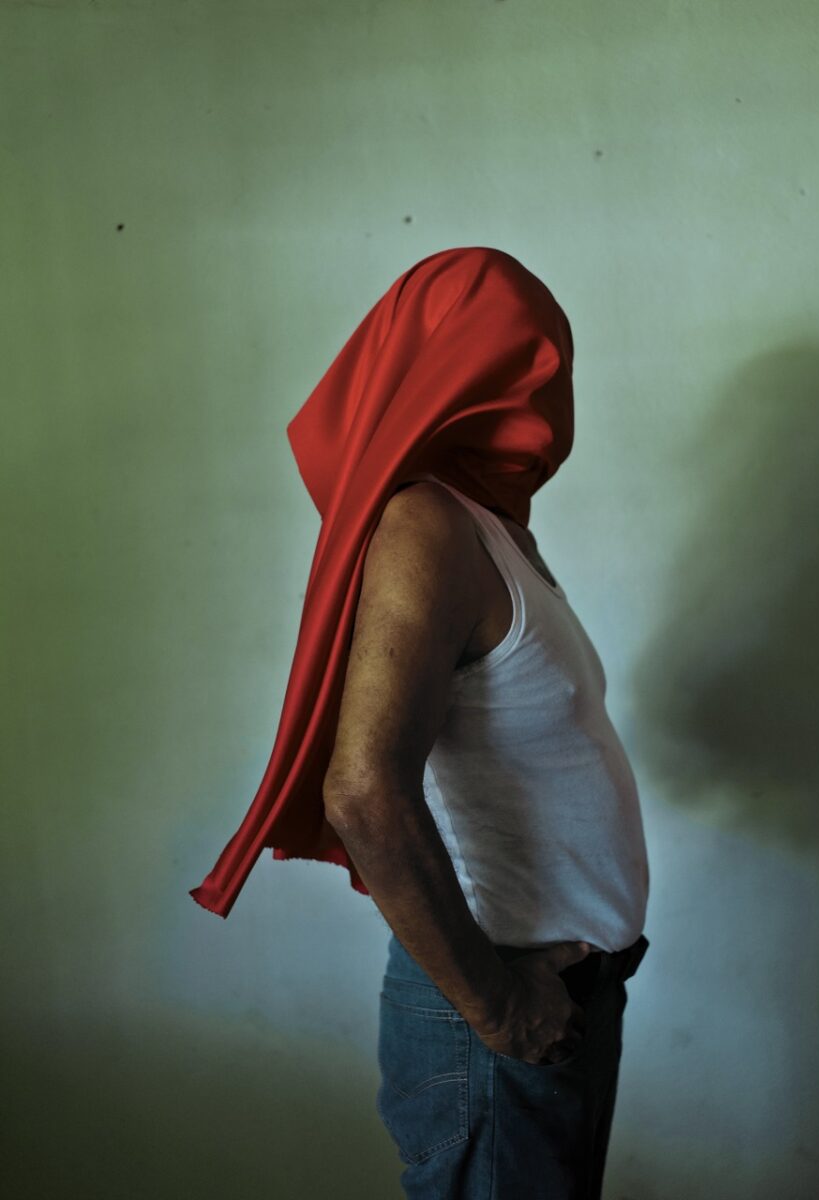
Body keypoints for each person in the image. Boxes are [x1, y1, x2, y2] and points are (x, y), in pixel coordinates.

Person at [188, 246, 650, 1198]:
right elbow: (361, 790)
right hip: (500, 1017)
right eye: (519, 355)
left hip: (563, 1001)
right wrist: (500, 1013)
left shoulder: (488, 531)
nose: (545, 382)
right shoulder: (426, 527)